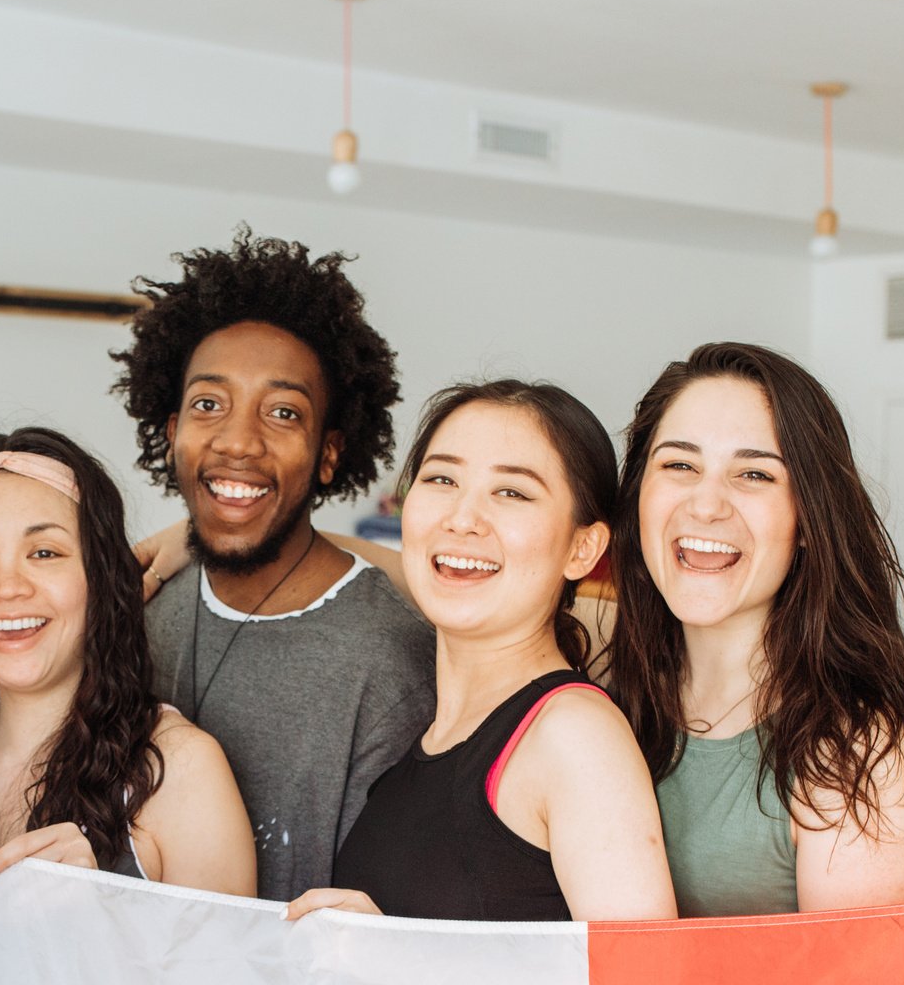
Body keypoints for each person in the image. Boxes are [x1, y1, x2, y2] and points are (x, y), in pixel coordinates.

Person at [111, 229, 434, 901]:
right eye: (209, 404)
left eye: (283, 412)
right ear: (172, 434)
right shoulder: (137, 615)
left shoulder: (387, 660)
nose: (237, 440)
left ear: (327, 454)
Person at [289, 381, 676, 924]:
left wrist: (398, 956)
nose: (462, 517)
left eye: (512, 492)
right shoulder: (426, 740)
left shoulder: (573, 737)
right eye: (441, 479)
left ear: (582, 548)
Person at [604, 342, 904, 916]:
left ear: (809, 519)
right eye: (680, 465)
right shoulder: (605, 696)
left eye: (755, 474)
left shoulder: (857, 748)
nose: (706, 504)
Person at [0, 428, 254, 895]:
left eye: (44, 552)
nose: (6, 587)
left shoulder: (182, 770)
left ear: (101, 577)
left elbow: (226, 970)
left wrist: (99, 910)